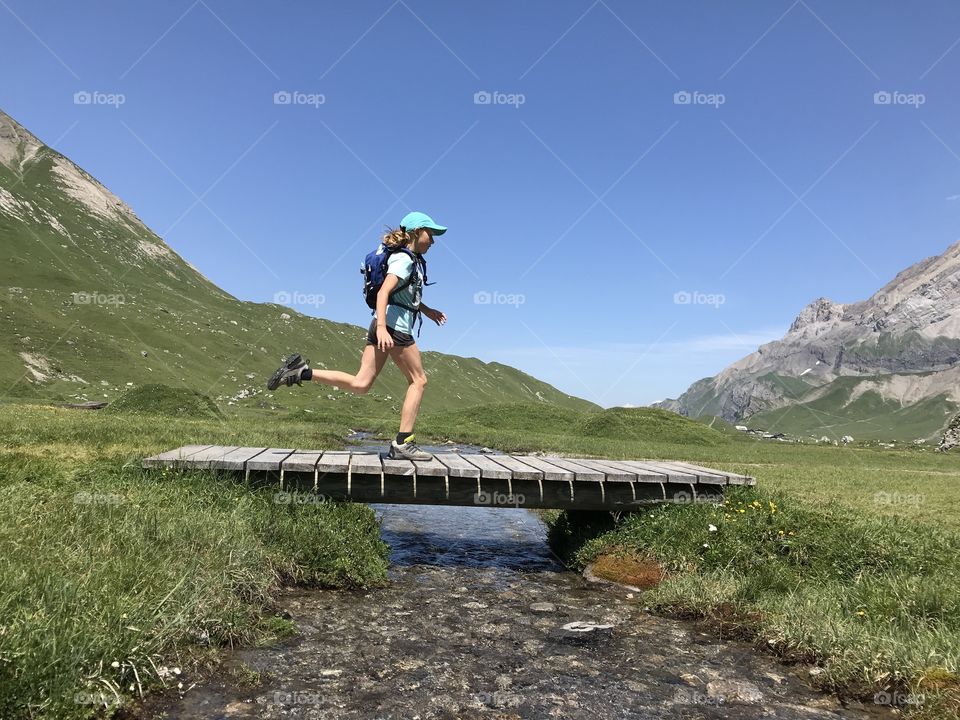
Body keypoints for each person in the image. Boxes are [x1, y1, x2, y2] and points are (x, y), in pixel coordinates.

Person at [266, 211, 448, 461]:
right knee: (419, 381)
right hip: (394, 327)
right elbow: (384, 293)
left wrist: (426, 311)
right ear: (417, 232)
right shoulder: (404, 260)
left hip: (383, 325)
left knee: (361, 384)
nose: (434, 240)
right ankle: (403, 442)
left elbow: (403, 296)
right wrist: (384, 327)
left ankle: (301, 372)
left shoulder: (408, 259)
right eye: (431, 234)